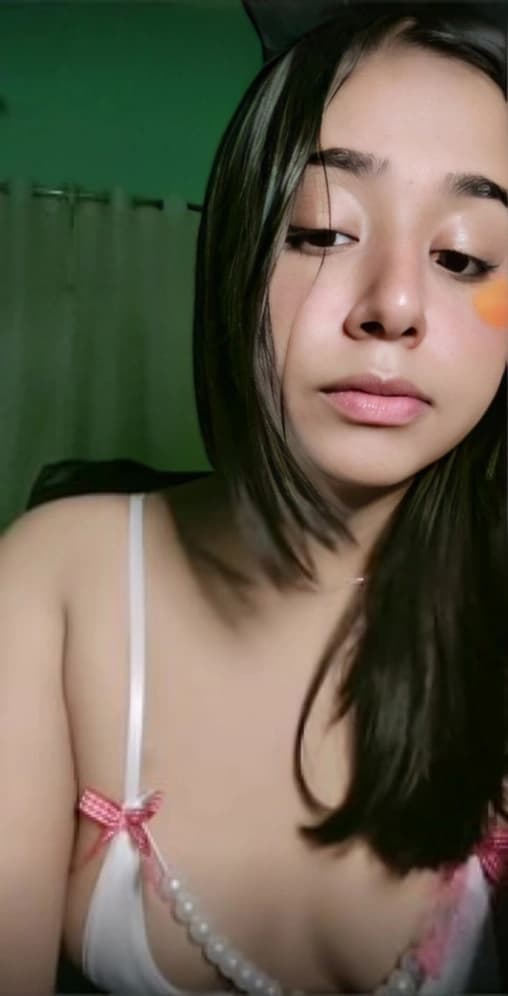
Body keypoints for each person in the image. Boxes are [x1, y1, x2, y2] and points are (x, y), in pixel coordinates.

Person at [1, 2, 507, 994]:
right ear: (237, 238)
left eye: (462, 259)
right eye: (322, 231)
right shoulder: (55, 583)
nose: (395, 305)